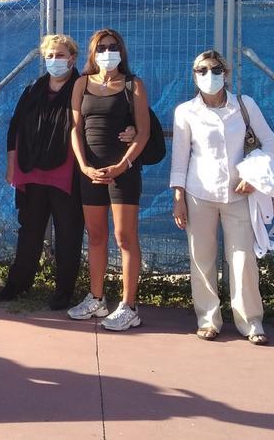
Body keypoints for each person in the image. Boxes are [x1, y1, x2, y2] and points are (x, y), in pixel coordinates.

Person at [170, 50, 274, 345]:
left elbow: (270, 143)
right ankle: (208, 320)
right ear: (194, 75)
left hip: (239, 194)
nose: (210, 75)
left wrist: (253, 178)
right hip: (198, 194)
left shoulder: (244, 105)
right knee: (201, 258)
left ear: (226, 73)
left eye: (216, 69)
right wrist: (178, 197)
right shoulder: (185, 111)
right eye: (202, 70)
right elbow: (180, 158)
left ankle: (251, 322)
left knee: (243, 259)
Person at [67, 28, 150, 331]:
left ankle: (129, 306)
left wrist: (122, 164)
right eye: (101, 48)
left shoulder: (133, 85)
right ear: (92, 53)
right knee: (96, 235)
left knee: (125, 238)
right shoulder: (81, 84)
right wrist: (84, 166)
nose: (107, 52)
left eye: (113, 46)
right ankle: (97, 298)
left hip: (123, 174)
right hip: (90, 173)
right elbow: (75, 129)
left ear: (122, 51)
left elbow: (143, 133)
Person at [0, 34, 84, 309]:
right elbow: (15, 127)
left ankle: (63, 291)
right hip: (31, 172)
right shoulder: (33, 88)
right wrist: (12, 165)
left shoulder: (83, 88)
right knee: (30, 230)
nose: (55, 60)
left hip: (68, 176)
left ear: (73, 58)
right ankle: (18, 284)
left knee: (68, 233)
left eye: (60, 55)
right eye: (50, 55)